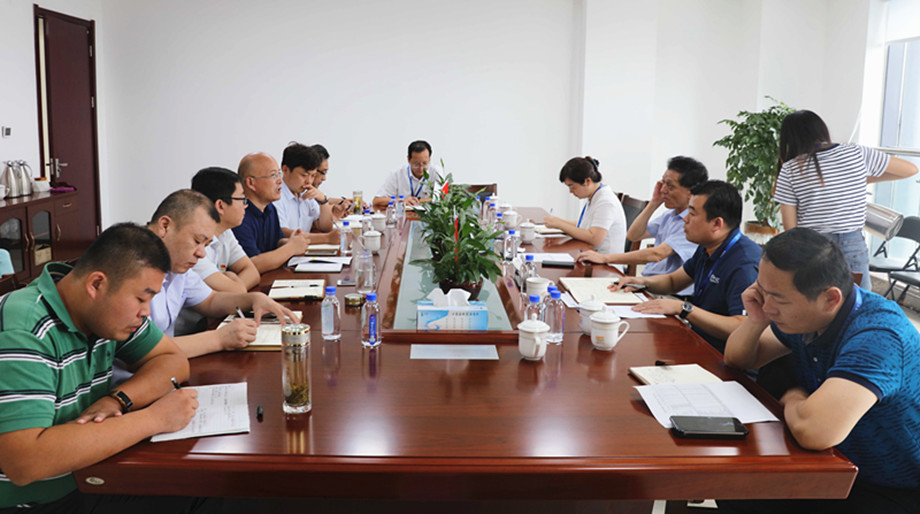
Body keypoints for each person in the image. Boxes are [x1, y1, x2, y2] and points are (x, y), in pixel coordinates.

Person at [0, 223, 213, 512]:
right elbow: (25, 462)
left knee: (208, 489)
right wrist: (154, 419)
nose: (146, 311)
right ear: (96, 284)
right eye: (141, 298)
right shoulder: (24, 330)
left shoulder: (102, 314)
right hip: (33, 502)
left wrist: (119, 399)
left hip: (88, 475)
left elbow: (171, 360)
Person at [720, 228, 920, 513]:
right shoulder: (808, 317)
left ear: (830, 299)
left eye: (778, 298)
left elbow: (814, 431)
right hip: (839, 462)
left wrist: (793, 398)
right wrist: (756, 319)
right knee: (733, 488)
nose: (768, 305)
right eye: (762, 291)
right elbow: (738, 359)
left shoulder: (879, 336)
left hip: (897, 486)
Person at [774, 109, 918, 290]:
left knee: (820, 299)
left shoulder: (791, 169)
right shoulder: (856, 152)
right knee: (859, 298)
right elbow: (910, 169)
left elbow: (791, 229)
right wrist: (863, 178)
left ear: (790, 139)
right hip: (853, 243)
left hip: (814, 246)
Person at [610, 180, 760, 352]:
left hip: (722, 355)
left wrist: (684, 309)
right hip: (698, 340)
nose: (685, 220)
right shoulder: (708, 246)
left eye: (692, 214)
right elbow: (674, 281)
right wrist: (640, 281)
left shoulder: (744, 264)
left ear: (717, 224)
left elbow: (742, 326)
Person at [147, 189, 298, 356]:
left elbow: (210, 300)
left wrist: (253, 299)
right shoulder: (134, 266)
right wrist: (219, 339)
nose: (202, 254)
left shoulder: (176, 264)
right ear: (165, 226)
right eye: (197, 241)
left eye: (206, 245)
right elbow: (145, 349)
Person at [577, 156, 708, 295]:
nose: (663, 190)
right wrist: (653, 203)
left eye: (670, 186)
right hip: (648, 285)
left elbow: (657, 254)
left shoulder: (692, 223)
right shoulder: (670, 215)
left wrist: (605, 258)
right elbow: (633, 235)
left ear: (691, 192)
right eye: (663, 183)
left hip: (669, 295)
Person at [232, 152, 312, 273]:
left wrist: (293, 241)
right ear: (251, 183)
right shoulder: (239, 215)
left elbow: (277, 241)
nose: (280, 181)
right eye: (273, 175)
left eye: (279, 174)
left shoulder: (269, 207)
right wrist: (291, 248)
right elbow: (251, 265)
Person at [190, 167, 260, 294]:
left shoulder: (225, 232)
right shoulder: (194, 245)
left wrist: (234, 283)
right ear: (220, 206)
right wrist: (234, 283)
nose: (245, 205)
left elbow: (252, 272)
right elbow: (237, 291)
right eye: (242, 199)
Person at [543, 156, 627, 255]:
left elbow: (594, 238)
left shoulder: (606, 202)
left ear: (587, 181)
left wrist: (560, 224)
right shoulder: (595, 195)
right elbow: (583, 224)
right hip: (589, 254)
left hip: (604, 261)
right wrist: (557, 222)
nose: (570, 191)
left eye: (572, 186)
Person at [272, 142, 340, 243]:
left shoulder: (306, 194)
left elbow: (324, 227)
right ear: (285, 170)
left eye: (313, 176)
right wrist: (326, 238)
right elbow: (283, 233)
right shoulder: (276, 196)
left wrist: (323, 201)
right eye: (304, 175)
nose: (309, 181)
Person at [372, 140, 444, 210]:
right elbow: (377, 201)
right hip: (403, 216)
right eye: (416, 164)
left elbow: (441, 200)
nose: (421, 168)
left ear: (429, 159)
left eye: (425, 164)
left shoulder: (436, 172)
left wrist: (416, 200)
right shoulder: (397, 174)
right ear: (408, 159)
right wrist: (401, 200)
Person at [309, 143, 353, 230]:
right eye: (323, 172)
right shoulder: (298, 194)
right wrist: (334, 216)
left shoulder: (310, 193)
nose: (324, 178)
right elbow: (312, 228)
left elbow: (318, 203)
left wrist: (338, 204)